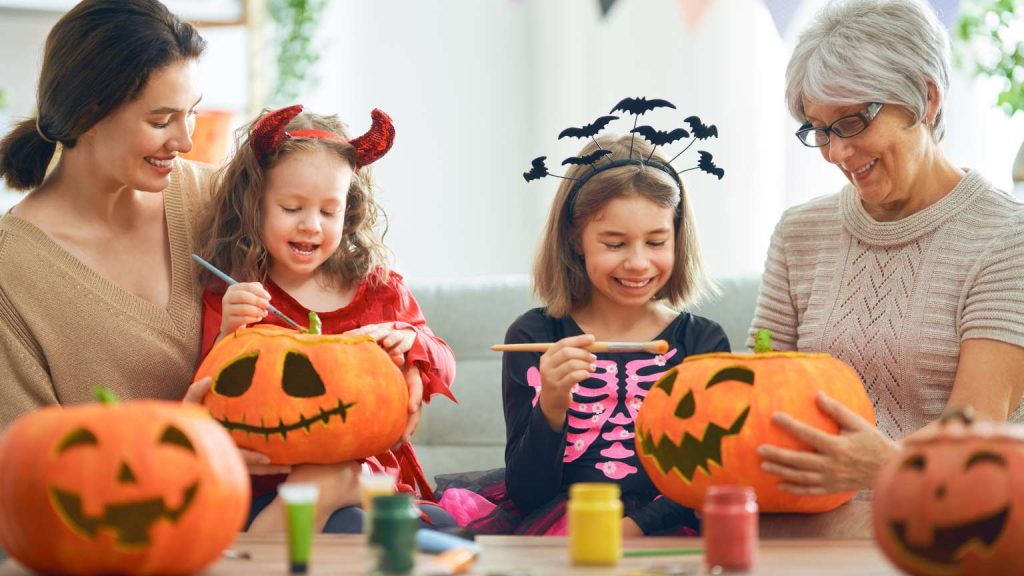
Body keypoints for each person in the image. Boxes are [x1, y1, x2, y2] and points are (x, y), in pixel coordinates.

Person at [751, 0, 1024, 500]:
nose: (835, 152)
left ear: (925, 98)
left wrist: (882, 468)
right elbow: (756, 394)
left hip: (941, 525)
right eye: (820, 129)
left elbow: (975, 436)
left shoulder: (1009, 239)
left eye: (852, 122)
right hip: (798, 518)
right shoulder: (799, 233)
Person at [439, 128, 730, 536]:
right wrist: (552, 406)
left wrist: (636, 527)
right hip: (560, 521)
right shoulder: (533, 334)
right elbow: (527, 493)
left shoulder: (703, 343)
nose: (638, 263)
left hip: (667, 523)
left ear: (678, 238)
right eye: (614, 243)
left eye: (656, 241)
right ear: (575, 239)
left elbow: (711, 475)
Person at [195, 104, 457, 533]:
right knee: (350, 528)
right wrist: (228, 331)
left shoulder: (380, 289)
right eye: (292, 208)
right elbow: (210, 391)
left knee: (445, 527)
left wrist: (413, 343)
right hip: (272, 486)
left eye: (328, 211)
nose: (311, 225)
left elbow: (443, 362)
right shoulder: (238, 296)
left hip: (373, 476)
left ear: (349, 211)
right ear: (255, 203)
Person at [0, 0, 218, 429]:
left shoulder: (213, 198)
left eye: (191, 112)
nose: (186, 142)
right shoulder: (12, 275)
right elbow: (27, 474)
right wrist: (184, 440)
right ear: (88, 116)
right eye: (161, 122)